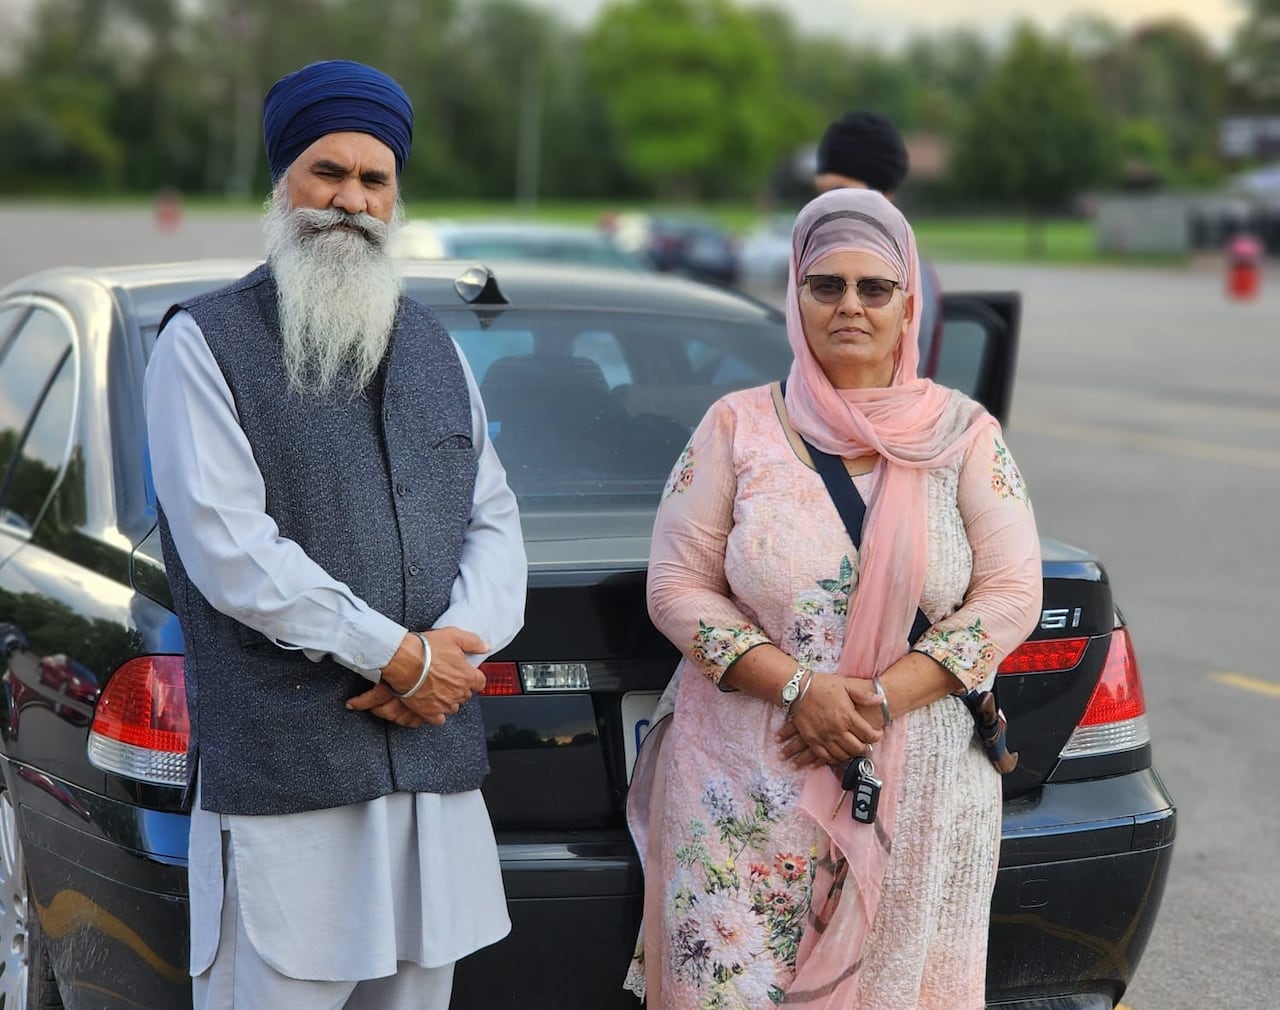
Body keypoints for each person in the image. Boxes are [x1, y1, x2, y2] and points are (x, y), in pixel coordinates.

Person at [144, 59, 526, 1010]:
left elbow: (495, 523)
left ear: (394, 197)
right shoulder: (203, 341)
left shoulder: (438, 350)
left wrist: (450, 651)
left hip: (430, 789)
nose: (350, 200)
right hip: (289, 789)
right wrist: (395, 656)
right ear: (283, 183)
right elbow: (230, 549)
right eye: (328, 172)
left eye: (374, 179)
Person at [624, 188, 1041, 1009]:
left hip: (917, 791)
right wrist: (799, 687)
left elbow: (1011, 593)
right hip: (744, 792)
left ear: (907, 303)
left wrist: (880, 700)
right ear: (796, 296)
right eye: (826, 285)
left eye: (873, 288)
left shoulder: (963, 436)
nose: (849, 305)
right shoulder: (735, 428)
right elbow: (676, 586)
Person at [814, 110, 944, 377]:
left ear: (882, 193)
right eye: (822, 194)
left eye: (840, 191)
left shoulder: (902, 274)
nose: (826, 206)